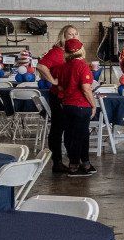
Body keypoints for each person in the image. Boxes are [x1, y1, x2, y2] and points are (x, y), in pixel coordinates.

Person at [36, 24, 83, 172]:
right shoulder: (57, 52)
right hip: (59, 96)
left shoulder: (74, 53)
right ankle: (57, 161)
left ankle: (73, 160)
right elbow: (41, 66)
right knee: (58, 128)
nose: (73, 36)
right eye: (70, 34)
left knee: (70, 129)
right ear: (63, 36)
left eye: (75, 34)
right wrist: (53, 80)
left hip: (71, 96)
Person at [54, 38, 97, 177]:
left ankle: (86, 163)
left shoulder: (63, 66)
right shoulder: (82, 66)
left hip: (67, 105)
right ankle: (74, 166)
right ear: (81, 50)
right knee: (80, 136)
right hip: (81, 105)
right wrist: (93, 104)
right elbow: (86, 88)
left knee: (72, 135)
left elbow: (59, 86)